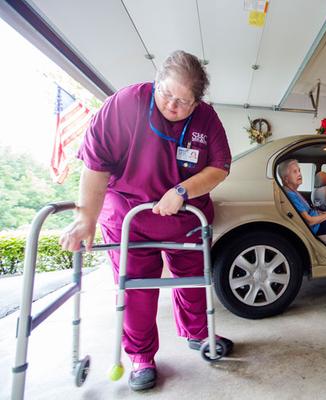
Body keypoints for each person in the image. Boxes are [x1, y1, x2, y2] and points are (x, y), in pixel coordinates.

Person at [59, 50, 233, 391]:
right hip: (129, 217)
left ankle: (198, 334)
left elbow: (219, 167)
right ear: (156, 83)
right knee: (138, 291)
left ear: (198, 102)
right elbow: (95, 165)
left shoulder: (206, 120)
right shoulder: (124, 105)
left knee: (195, 281)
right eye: (167, 95)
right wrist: (86, 219)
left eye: (184, 101)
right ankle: (141, 358)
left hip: (184, 218)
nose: (173, 106)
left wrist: (181, 191)